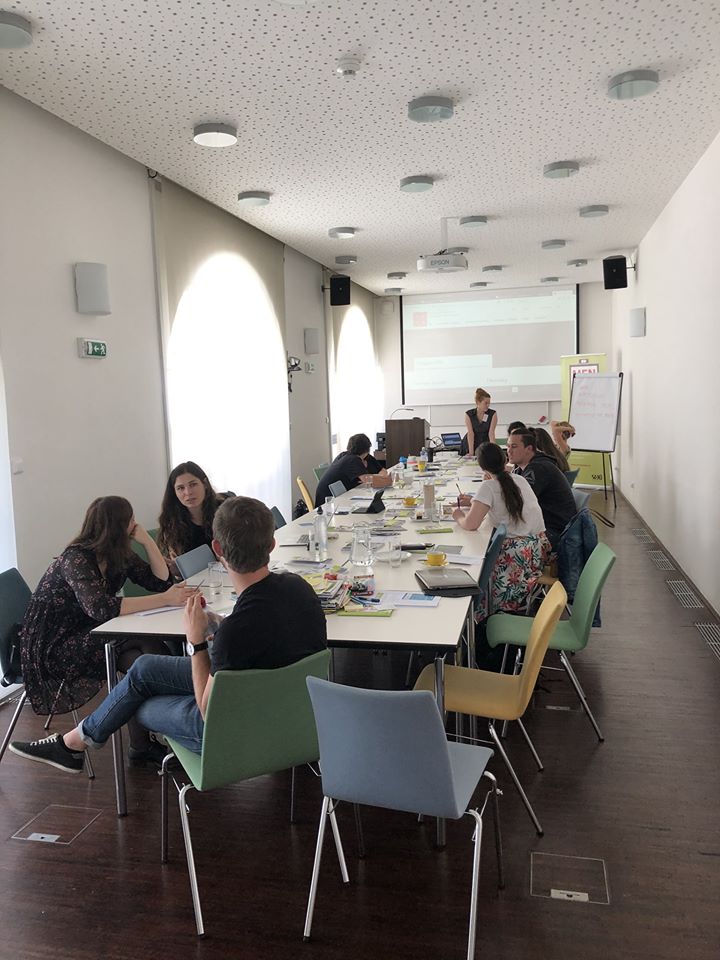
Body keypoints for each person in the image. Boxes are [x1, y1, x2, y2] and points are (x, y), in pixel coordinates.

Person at [10, 497, 328, 773]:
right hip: (295, 717)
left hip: (237, 732)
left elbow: (209, 710)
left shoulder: (236, 632)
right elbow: (257, 638)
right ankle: (73, 743)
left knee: (140, 704)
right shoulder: (300, 588)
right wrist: (217, 624)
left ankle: (84, 743)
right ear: (272, 544)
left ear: (217, 549)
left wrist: (197, 642)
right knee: (143, 668)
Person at [17, 496, 197, 764]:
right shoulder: (75, 559)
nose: (135, 524)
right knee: (145, 654)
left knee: (143, 657)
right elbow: (101, 608)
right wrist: (165, 599)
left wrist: (147, 542)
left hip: (89, 632)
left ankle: (142, 744)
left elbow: (160, 581)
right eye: (131, 520)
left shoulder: (118, 554)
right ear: (117, 526)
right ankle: (166, 734)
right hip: (53, 647)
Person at [453, 442, 550, 613]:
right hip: (538, 549)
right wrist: (475, 501)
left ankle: (479, 613)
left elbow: (470, 524)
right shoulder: (519, 479)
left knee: (473, 561)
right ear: (505, 459)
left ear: (482, 467)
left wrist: (458, 515)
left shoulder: (489, 486)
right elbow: (504, 501)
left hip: (516, 556)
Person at [506, 431, 576, 550]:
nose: (509, 451)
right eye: (508, 446)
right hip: (545, 526)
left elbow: (517, 501)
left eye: (514, 446)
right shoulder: (524, 468)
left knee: (503, 545)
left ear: (529, 449)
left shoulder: (538, 468)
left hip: (554, 533)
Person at [157, 461, 230, 561]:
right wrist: (175, 567)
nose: (188, 492)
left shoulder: (225, 510)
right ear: (174, 492)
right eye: (180, 488)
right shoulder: (171, 522)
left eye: (193, 484)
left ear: (205, 484)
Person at [315, 433, 390, 507]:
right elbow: (367, 479)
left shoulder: (348, 455)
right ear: (367, 449)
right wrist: (379, 478)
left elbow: (379, 473)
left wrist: (375, 477)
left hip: (338, 497)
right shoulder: (352, 459)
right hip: (328, 502)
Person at [461, 388, 497, 456]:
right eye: (485, 403)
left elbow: (491, 433)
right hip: (471, 443)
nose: (488, 405)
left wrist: (494, 450)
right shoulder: (469, 414)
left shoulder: (492, 414)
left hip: (485, 444)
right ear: (478, 402)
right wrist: (471, 452)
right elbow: (470, 433)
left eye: (489, 403)